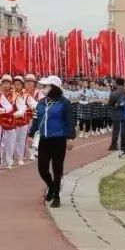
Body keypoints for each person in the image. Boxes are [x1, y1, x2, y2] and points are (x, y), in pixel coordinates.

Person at [28, 75, 75, 208]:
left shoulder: (64, 103)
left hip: (59, 139)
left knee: (57, 168)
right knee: (42, 168)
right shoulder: (41, 103)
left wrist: (70, 137)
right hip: (44, 139)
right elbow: (36, 120)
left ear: (54, 88)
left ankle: (56, 196)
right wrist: (31, 134)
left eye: (46, 86)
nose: (43, 89)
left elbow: (70, 120)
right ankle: (52, 186)